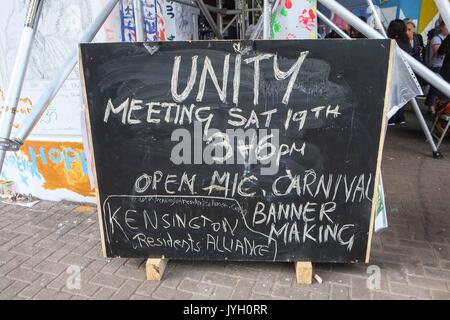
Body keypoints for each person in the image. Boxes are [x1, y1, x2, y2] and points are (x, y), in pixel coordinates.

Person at [387, 19, 411, 125]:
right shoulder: (407, 42)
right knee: (399, 95)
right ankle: (400, 117)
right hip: (403, 73)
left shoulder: (393, 43)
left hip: (393, 73)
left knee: (391, 96)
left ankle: (391, 118)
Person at [425, 20, 448, 113]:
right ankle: (430, 106)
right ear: (442, 28)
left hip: (442, 66)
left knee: (438, 88)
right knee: (435, 87)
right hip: (436, 66)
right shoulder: (436, 39)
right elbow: (438, 52)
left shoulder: (445, 39)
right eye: (447, 26)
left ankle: (433, 105)